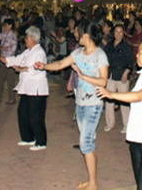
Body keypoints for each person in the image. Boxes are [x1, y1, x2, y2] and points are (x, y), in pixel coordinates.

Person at [35, 20, 109, 190]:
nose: (75, 35)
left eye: (78, 32)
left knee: (85, 143)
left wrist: (83, 76)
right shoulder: (78, 53)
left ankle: (93, 183)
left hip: (93, 104)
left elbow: (103, 81)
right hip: (80, 103)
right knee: (88, 143)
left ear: (86, 36)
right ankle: (92, 180)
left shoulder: (100, 55)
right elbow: (61, 63)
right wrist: (44, 66)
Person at [96, 37, 142, 190]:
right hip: (137, 136)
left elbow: (139, 96)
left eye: (140, 53)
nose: (136, 55)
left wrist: (112, 94)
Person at [0, 25, 49, 151]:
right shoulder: (28, 51)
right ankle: (28, 138)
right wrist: (0, 58)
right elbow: (16, 59)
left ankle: (41, 142)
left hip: (37, 89)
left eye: (27, 37)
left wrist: (21, 69)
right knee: (22, 112)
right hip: (27, 88)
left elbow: (36, 68)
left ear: (33, 38)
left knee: (35, 116)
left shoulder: (39, 52)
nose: (25, 40)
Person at [102, 24, 134, 133]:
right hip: (110, 74)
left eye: (121, 31)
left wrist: (126, 73)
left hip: (122, 75)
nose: (118, 34)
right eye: (116, 31)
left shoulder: (126, 46)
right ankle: (110, 123)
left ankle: (126, 125)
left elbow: (131, 62)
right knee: (109, 100)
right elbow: (104, 59)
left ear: (123, 33)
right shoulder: (109, 45)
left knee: (123, 101)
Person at [0, 18, 18, 104]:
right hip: (2, 60)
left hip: (10, 61)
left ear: (10, 26)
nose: (4, 27)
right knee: (0, 79)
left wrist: (2, 48)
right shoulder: (4, 34)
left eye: (6, 25)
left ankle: (12, 98)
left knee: (10, 80)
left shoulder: (13, 37)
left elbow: (12, 50)